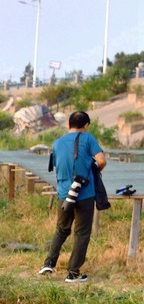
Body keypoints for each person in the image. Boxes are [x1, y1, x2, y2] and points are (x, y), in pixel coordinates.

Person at [40, 110, 107, 283]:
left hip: (64, 194)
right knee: (82, 233)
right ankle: (73, 273)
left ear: (68, 125)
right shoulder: (88, 138)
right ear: (86, 125)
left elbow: (58, 166)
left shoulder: (57, 142)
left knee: (61, 229)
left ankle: (48, 263)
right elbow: (101, 161)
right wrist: (93, 173)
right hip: (84, 193)